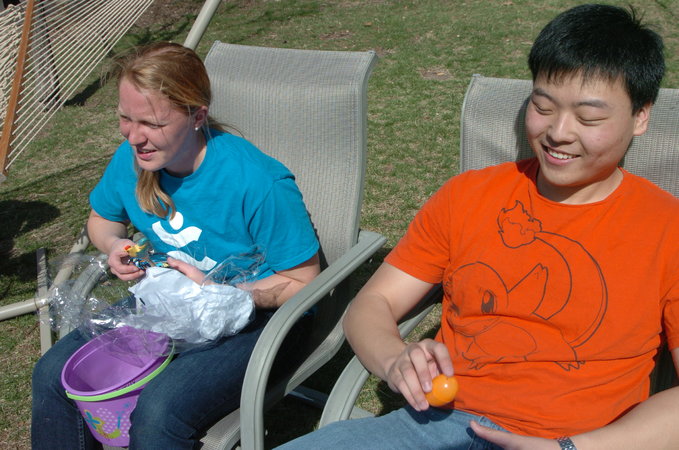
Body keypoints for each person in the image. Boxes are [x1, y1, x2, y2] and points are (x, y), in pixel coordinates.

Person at [278, 4, 679, 449]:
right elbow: (373, 303)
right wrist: (395, 359)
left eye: (589, 118)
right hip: (439, 425)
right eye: (543, 107)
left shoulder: (668, 228)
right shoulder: (469, 196)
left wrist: (570, 448)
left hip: (580, 441)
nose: (559, 132)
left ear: (640, 116)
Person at [31, 42, 320, 449]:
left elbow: (304, 282)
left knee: (158, 412)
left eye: (151, 123)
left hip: (261, 317)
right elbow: (101, 219)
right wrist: (114, 243)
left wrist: (222, 294)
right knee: (51, 376)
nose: (134, 137)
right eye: (125, 118)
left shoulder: (257, 182)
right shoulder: (133, 159)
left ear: (197, 116)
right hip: (173, 300)